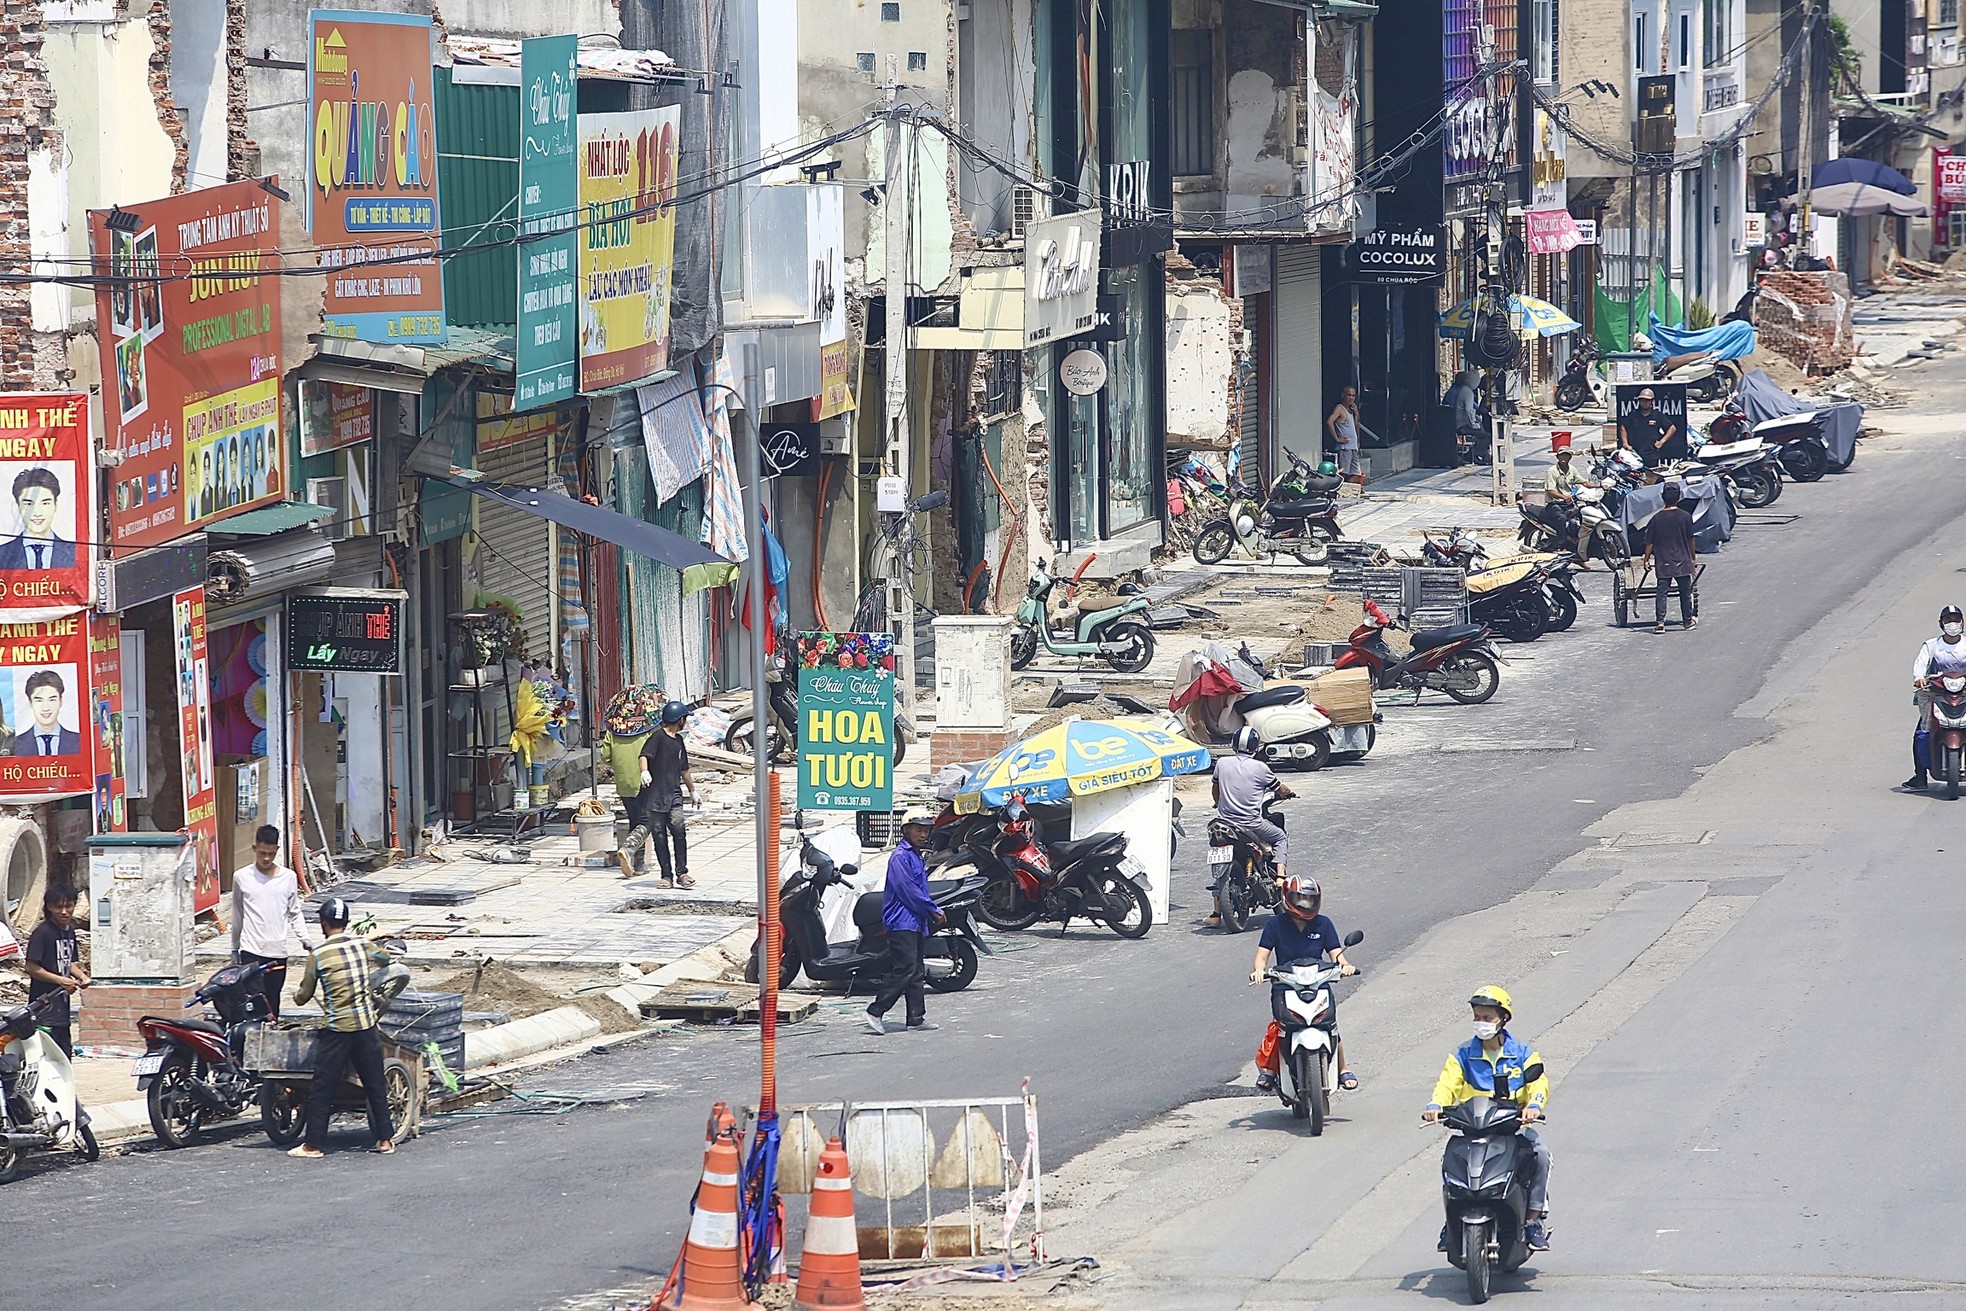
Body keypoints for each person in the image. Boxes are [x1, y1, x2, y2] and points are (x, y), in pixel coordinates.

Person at [1423, 985, 1553, 1251]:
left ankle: (1532, 1220)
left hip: (1512, 1128)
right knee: (1451, 1161)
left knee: (1540, 1154)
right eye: (1477, 1017)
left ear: (1503, 1019)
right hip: (1474, 1129)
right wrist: (1436, 1104)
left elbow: (1539, 1084)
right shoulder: (1462, 1055)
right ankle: (1452, 1220)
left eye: (1487, 1018)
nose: (1481, 1023)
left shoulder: (1523, 1054)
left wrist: (1534, 1106)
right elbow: (1447, 1084)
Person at [289, 897, 396, 1158]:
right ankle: (385, 1140)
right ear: (346, 923)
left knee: (322, 1087)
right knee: (374, 1083)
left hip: (337, 1029)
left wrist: (295, 996)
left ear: (324, 924)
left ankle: (313, 1145)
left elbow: (304, 995)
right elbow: (385, 957)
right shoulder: (362, 944)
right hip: (365, 1025)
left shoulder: (318, 954)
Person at [1248, 876, 1357, 1094]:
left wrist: (1346, 966)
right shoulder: (1275, 924)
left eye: (1309, 899)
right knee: (1282, 1026)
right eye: (1299, 899)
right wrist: (1260, 970)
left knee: (1329, 1024)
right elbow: (1262, 956)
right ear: (1288, 898)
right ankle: (1270, 1070)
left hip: (1318, 983)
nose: (1304, 904)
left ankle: (1343, 1068)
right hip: (1286, 985)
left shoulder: (1323, 924)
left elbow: (1336, 954)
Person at [863, 807, 944, 1036]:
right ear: (906, 830)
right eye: (918, 830)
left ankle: (915, 1018)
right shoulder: (900, 856)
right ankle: (876, 1010)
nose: (923, 835)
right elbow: (908, 890)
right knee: (905, 969)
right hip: (901, 922)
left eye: (926, 830)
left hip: (915, 921)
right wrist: (932, 909)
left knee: (917, 970)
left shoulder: (916, 855)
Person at [230, 824, 312, 1017]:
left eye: (270, 854)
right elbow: (237, 914)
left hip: (277, 951)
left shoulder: (288, 877)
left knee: (273, 999)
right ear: (254, 848)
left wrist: (305, 938)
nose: (266, 858)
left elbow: (295, 912)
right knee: (254, 998)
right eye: (262, 853)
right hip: (251, 950)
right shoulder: (242, 877)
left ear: (277, 850)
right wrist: (234, 947)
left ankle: (271, 1035)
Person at [23, 883, 90, 1057]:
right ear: (50, 907)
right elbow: (31, 967)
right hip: (43, 1008)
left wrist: (82, 976)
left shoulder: (69, 932)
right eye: (58, 907)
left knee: (64, 1057)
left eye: (68, 906)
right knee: (46, 1058)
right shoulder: (42, 933)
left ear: (75, 905)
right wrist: (61, 980)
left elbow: (68, 962)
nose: (64, 911)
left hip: (63, 1008)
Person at [637, 700, 698, 887]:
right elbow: (643, 756)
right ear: (679, 720)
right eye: (684, 718)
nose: (685, 721)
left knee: (679, 831)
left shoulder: (679, 741)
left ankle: (682, 873)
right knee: (659, 836)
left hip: (674, 795)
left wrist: (693, 790)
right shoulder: (657, 738)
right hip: (655, 797)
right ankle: (666, 876)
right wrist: (644, 772)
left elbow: (684, 769)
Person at [1905, 605, 1966, 790]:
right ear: (1941, 623)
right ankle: (1920, 776)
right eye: (1948, 620)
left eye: (1956, 620)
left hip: (1964, 693)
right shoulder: (1931, 645)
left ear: (1962, 623)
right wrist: (1919, 678)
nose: (1952, 624)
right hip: (1937, 693)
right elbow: (1920, 664)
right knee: (1922, 732)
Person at [1640, 482, 1698, 633]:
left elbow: (1650, 542)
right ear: (1678, 497)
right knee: (1685, 593)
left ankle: (1660, 623)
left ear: (1662, 497)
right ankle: (1687, 621)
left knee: (1661, 593)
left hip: (1663, 561)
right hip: (1683, 560)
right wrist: (1693, 557)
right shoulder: (1685, 517)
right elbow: (1690, 539)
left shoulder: (1656, 519)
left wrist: (1646, 560)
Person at [606, 720, 658, 877]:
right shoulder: (649, 727)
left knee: (634, 820)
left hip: (624, 783)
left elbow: (605, 756)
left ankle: (636, 863)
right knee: (647, 820)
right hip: (645, 781)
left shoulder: (613, 730)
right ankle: (632, 854)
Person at [0, 468, 75, 570]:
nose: (37, 513)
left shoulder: (75, 553)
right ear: (17, 507)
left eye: (45, 503)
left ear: (56, 505)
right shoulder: (3, 554)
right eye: (28, 504)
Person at [21, 669, 80, 755]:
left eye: (52, 700)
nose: (46, 708)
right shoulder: (15, 744)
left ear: (61, 701)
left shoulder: (79, 741)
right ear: (30, 703)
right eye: (39, 700)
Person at [1617, 388, 1679, 467]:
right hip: (1634, 453)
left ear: (1652, 401)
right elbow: (1623, 428)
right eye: (1642, 400)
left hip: (1651, 454)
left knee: (1651, 477)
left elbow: (1672, 428)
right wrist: (1625, 443)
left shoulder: (1657, 415)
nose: (1644, 403)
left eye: (1647, 400)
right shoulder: (1634, 414)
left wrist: (1661, 442)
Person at [1326, 385, 1363, 487]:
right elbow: (1330, 422)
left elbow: (1356, 425)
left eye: (1353, 396)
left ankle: (1349, 490)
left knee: (1356, 474)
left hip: (1353, 446)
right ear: (1343, 395)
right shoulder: (1339, 408)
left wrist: (1356, 413)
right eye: (1349, 395)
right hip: (1345, 447)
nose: (1351, 398)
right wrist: (1337, 438)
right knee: (1344, 473)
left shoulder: (1351, 410)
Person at [1446, 371, 1482, 466]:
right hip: (1460, 423)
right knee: (1486, 435)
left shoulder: (1461, 390)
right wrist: (1473, 424)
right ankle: (1470, 456)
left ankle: (1474, 455)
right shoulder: (1464, 391)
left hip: (1456, 421)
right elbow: (1469, 409)